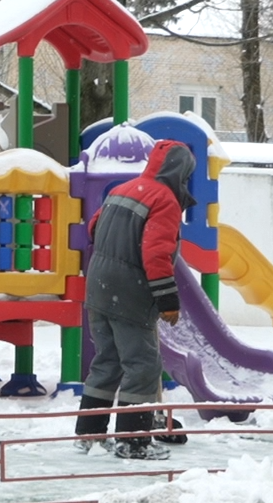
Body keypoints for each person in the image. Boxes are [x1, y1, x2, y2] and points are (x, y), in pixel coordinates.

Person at [76, 140, 196, 460]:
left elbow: (93, 227)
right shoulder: (165, 200)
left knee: (107, 361)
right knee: (142, 366)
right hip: (129, 292)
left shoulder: (122, 189)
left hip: (99, 286)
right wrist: (167, 299)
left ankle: (89, 434)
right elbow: (156, 253)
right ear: (179, 171)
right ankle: (133, 440)